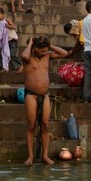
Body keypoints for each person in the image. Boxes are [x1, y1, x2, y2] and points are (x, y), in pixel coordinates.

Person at [22, 36, 73, 165]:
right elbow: (24, 56)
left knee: (45, 125)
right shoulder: (28, 58)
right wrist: (30, 44)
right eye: (42, 50)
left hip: (44, 95)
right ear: (35, 48)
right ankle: (30, 156)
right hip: (31, 95)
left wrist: (50, 47)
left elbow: (65, 54)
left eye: (46, 50)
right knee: (31, 125)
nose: (44, 53)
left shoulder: (47, 56)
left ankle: (45, 155)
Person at [0, 7, 20, 73]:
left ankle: (20, 65)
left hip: (12, 40)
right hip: (5, 42)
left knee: (12, 54)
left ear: (3, 14)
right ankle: (5, 68)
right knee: (3, 54)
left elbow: (14, 27)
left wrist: (8, 26)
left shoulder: (7, 20)